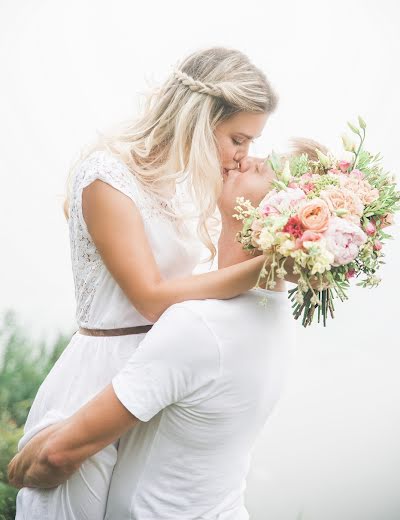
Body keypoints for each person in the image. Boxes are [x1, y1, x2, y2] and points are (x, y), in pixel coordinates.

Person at [12, 46, 283, 519]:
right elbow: (152, 299)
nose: (243, 157)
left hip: (160, 377)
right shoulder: (108, 177)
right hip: (102, 377)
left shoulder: (183, 181)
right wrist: (273, 266)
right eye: (238, 139)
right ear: (201, 119)